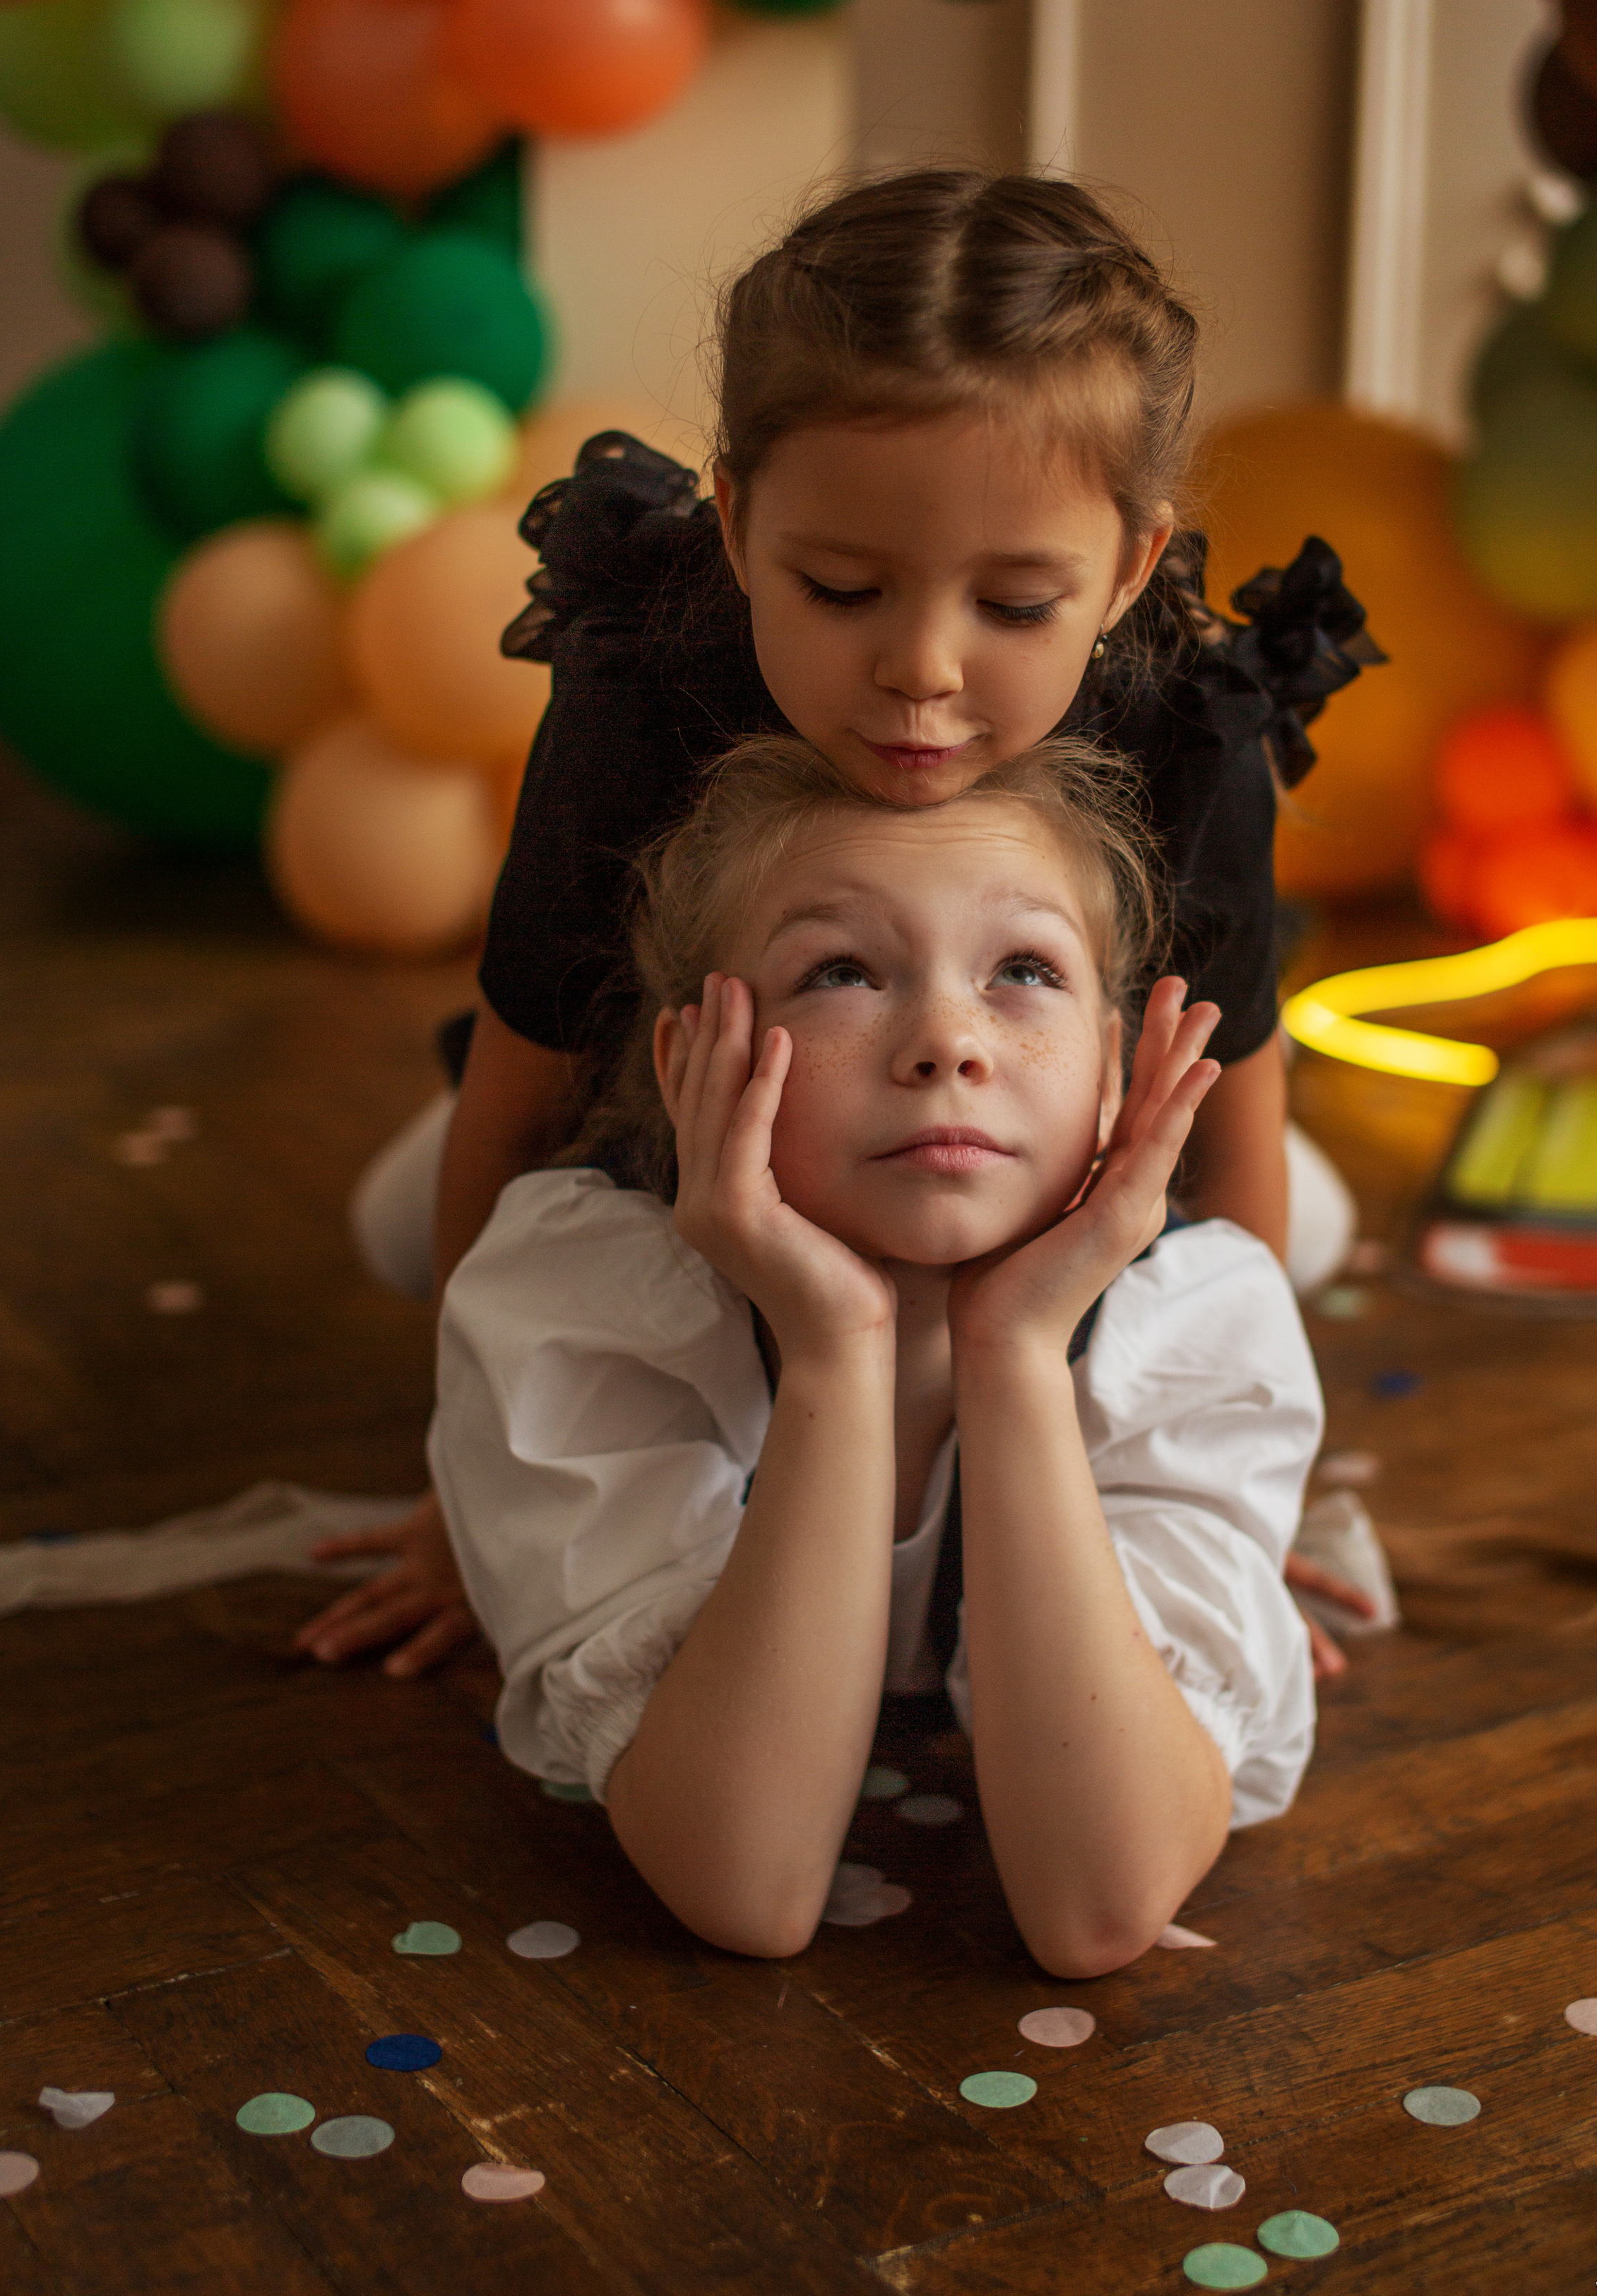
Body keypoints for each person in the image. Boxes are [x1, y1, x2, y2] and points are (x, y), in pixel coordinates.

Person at [297, 166, 1378, 1680]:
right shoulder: (643, 679)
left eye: (1013, 607)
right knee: (412, 1234)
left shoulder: (1186, 722)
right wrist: (469, 1492)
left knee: (1296, 1231)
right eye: (841, 587)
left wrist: (1238, 1512)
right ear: (738, 526)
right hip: (674, 1122)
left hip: (1031, 1146)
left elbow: (1231, 1126)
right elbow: (523, 1078)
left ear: (1127, 568)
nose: (919, 670)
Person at [430, 736, 1323, 1972]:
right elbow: (748, 1886)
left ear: (1119, 1073)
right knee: (397, 1211)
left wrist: (1014, 1354)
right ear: (700, 1062)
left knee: (1308, 1224)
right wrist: (837, 1347)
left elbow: (1099, 1910)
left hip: (1104, 1194)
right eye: (842, 971)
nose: (946, 1042)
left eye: (1023, 968)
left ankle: (1293, 1181)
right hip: (648, 1178)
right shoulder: (584, 1302)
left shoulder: (1191, 1322)